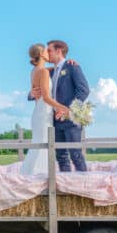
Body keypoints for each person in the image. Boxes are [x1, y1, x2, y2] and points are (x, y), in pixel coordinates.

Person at [29, 40, 90, 172]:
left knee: (76, 155)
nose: (47, 53)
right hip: (53, 120)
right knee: (61, 156)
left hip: (70, 120)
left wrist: (69, 110)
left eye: (49, 50)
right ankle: (65, 185)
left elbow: (84, 90)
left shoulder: (72, 67)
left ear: (59, 51)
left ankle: (84, 184)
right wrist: (31, 94)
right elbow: (38, 87)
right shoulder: (49, 72)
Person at [19, 44, 70, 176]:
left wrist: (68, 63)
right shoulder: (44, 72)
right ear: (41, 54)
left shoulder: (35, 71)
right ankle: (40, 176)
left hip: (38, 113)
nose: (49, 53)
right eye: (46, 51)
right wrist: (63, 108)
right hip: (44, 114)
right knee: (44, 144)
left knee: (38, 144)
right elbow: (46, 98)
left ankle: (29, 174)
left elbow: (56, 69)